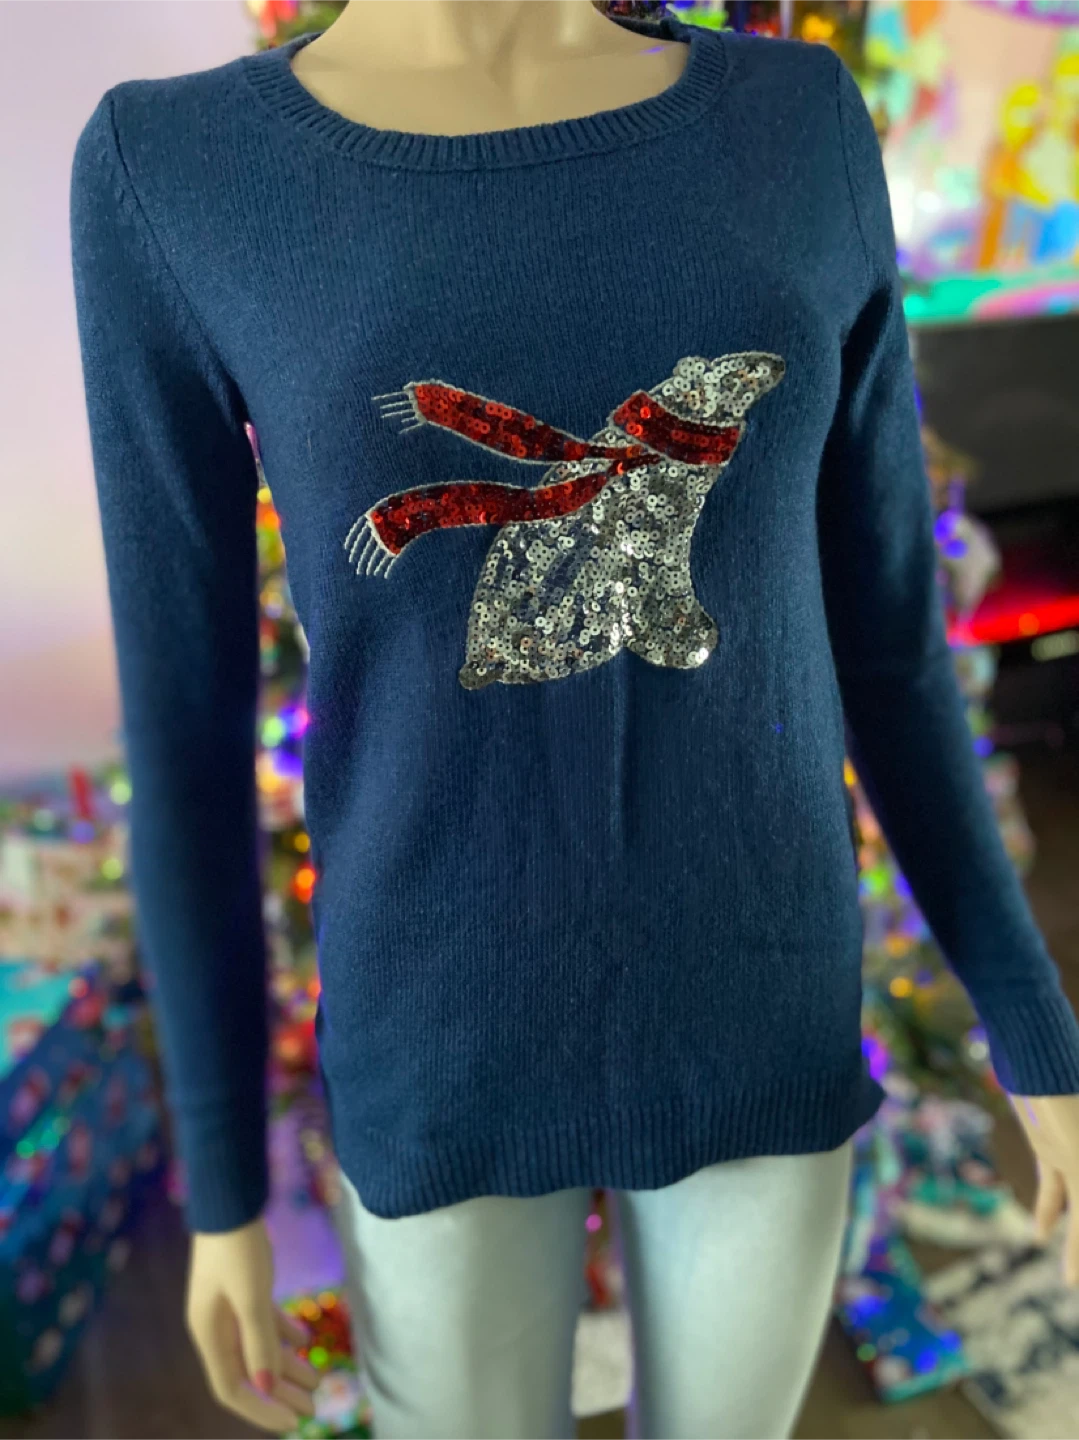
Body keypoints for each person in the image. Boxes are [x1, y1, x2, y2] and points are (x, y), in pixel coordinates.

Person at [69, 2, 1079, 1437]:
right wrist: (223, 1186)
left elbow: (890, 643)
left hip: (758, 987)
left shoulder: (796, 121)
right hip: (436, 1025)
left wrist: (1032, 1027)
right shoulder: (174, 169)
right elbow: (184, 737)